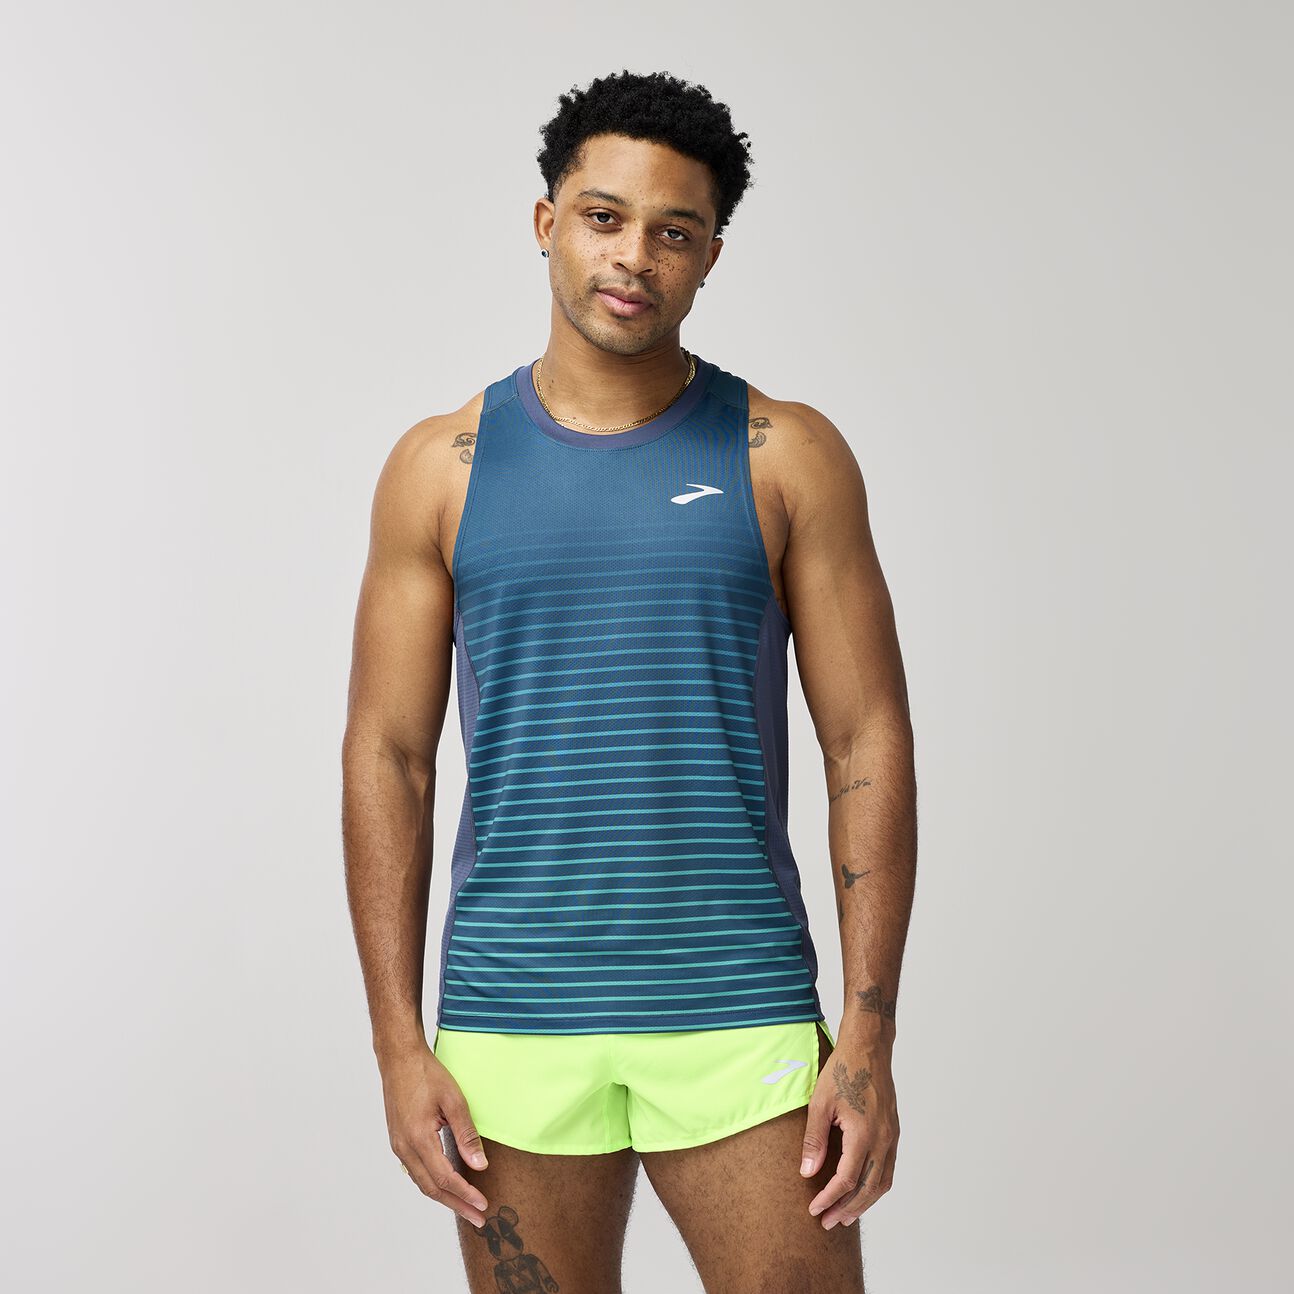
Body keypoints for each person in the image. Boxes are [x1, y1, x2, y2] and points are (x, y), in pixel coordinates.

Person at [342, 68, 917, 1294]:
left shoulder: (786, 454)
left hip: (737, 1004)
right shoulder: (441, 467)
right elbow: (388, 755)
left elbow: (865, 738)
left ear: (710, 256)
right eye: (604, 217)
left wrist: (867, 1034)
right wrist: (396, 1043)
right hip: (511, 1014)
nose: (633, 257)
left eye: (674, 231)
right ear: (546, 221)